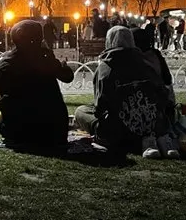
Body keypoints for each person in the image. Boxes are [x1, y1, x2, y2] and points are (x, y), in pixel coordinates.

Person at [74, 27, 172, 158]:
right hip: (152, 126)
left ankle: (106, 137)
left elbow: (100, 108)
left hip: (119, 131)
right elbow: (162, 96)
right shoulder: (146, 64)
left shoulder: (105, 68)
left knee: (81, 111)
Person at [0, 20, 74, 149]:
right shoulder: (45, 59)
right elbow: (67, 76)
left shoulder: (7, 63)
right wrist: (54, 60)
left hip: (21, 131)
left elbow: (6, 100)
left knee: (1, 120)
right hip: (53, 131)